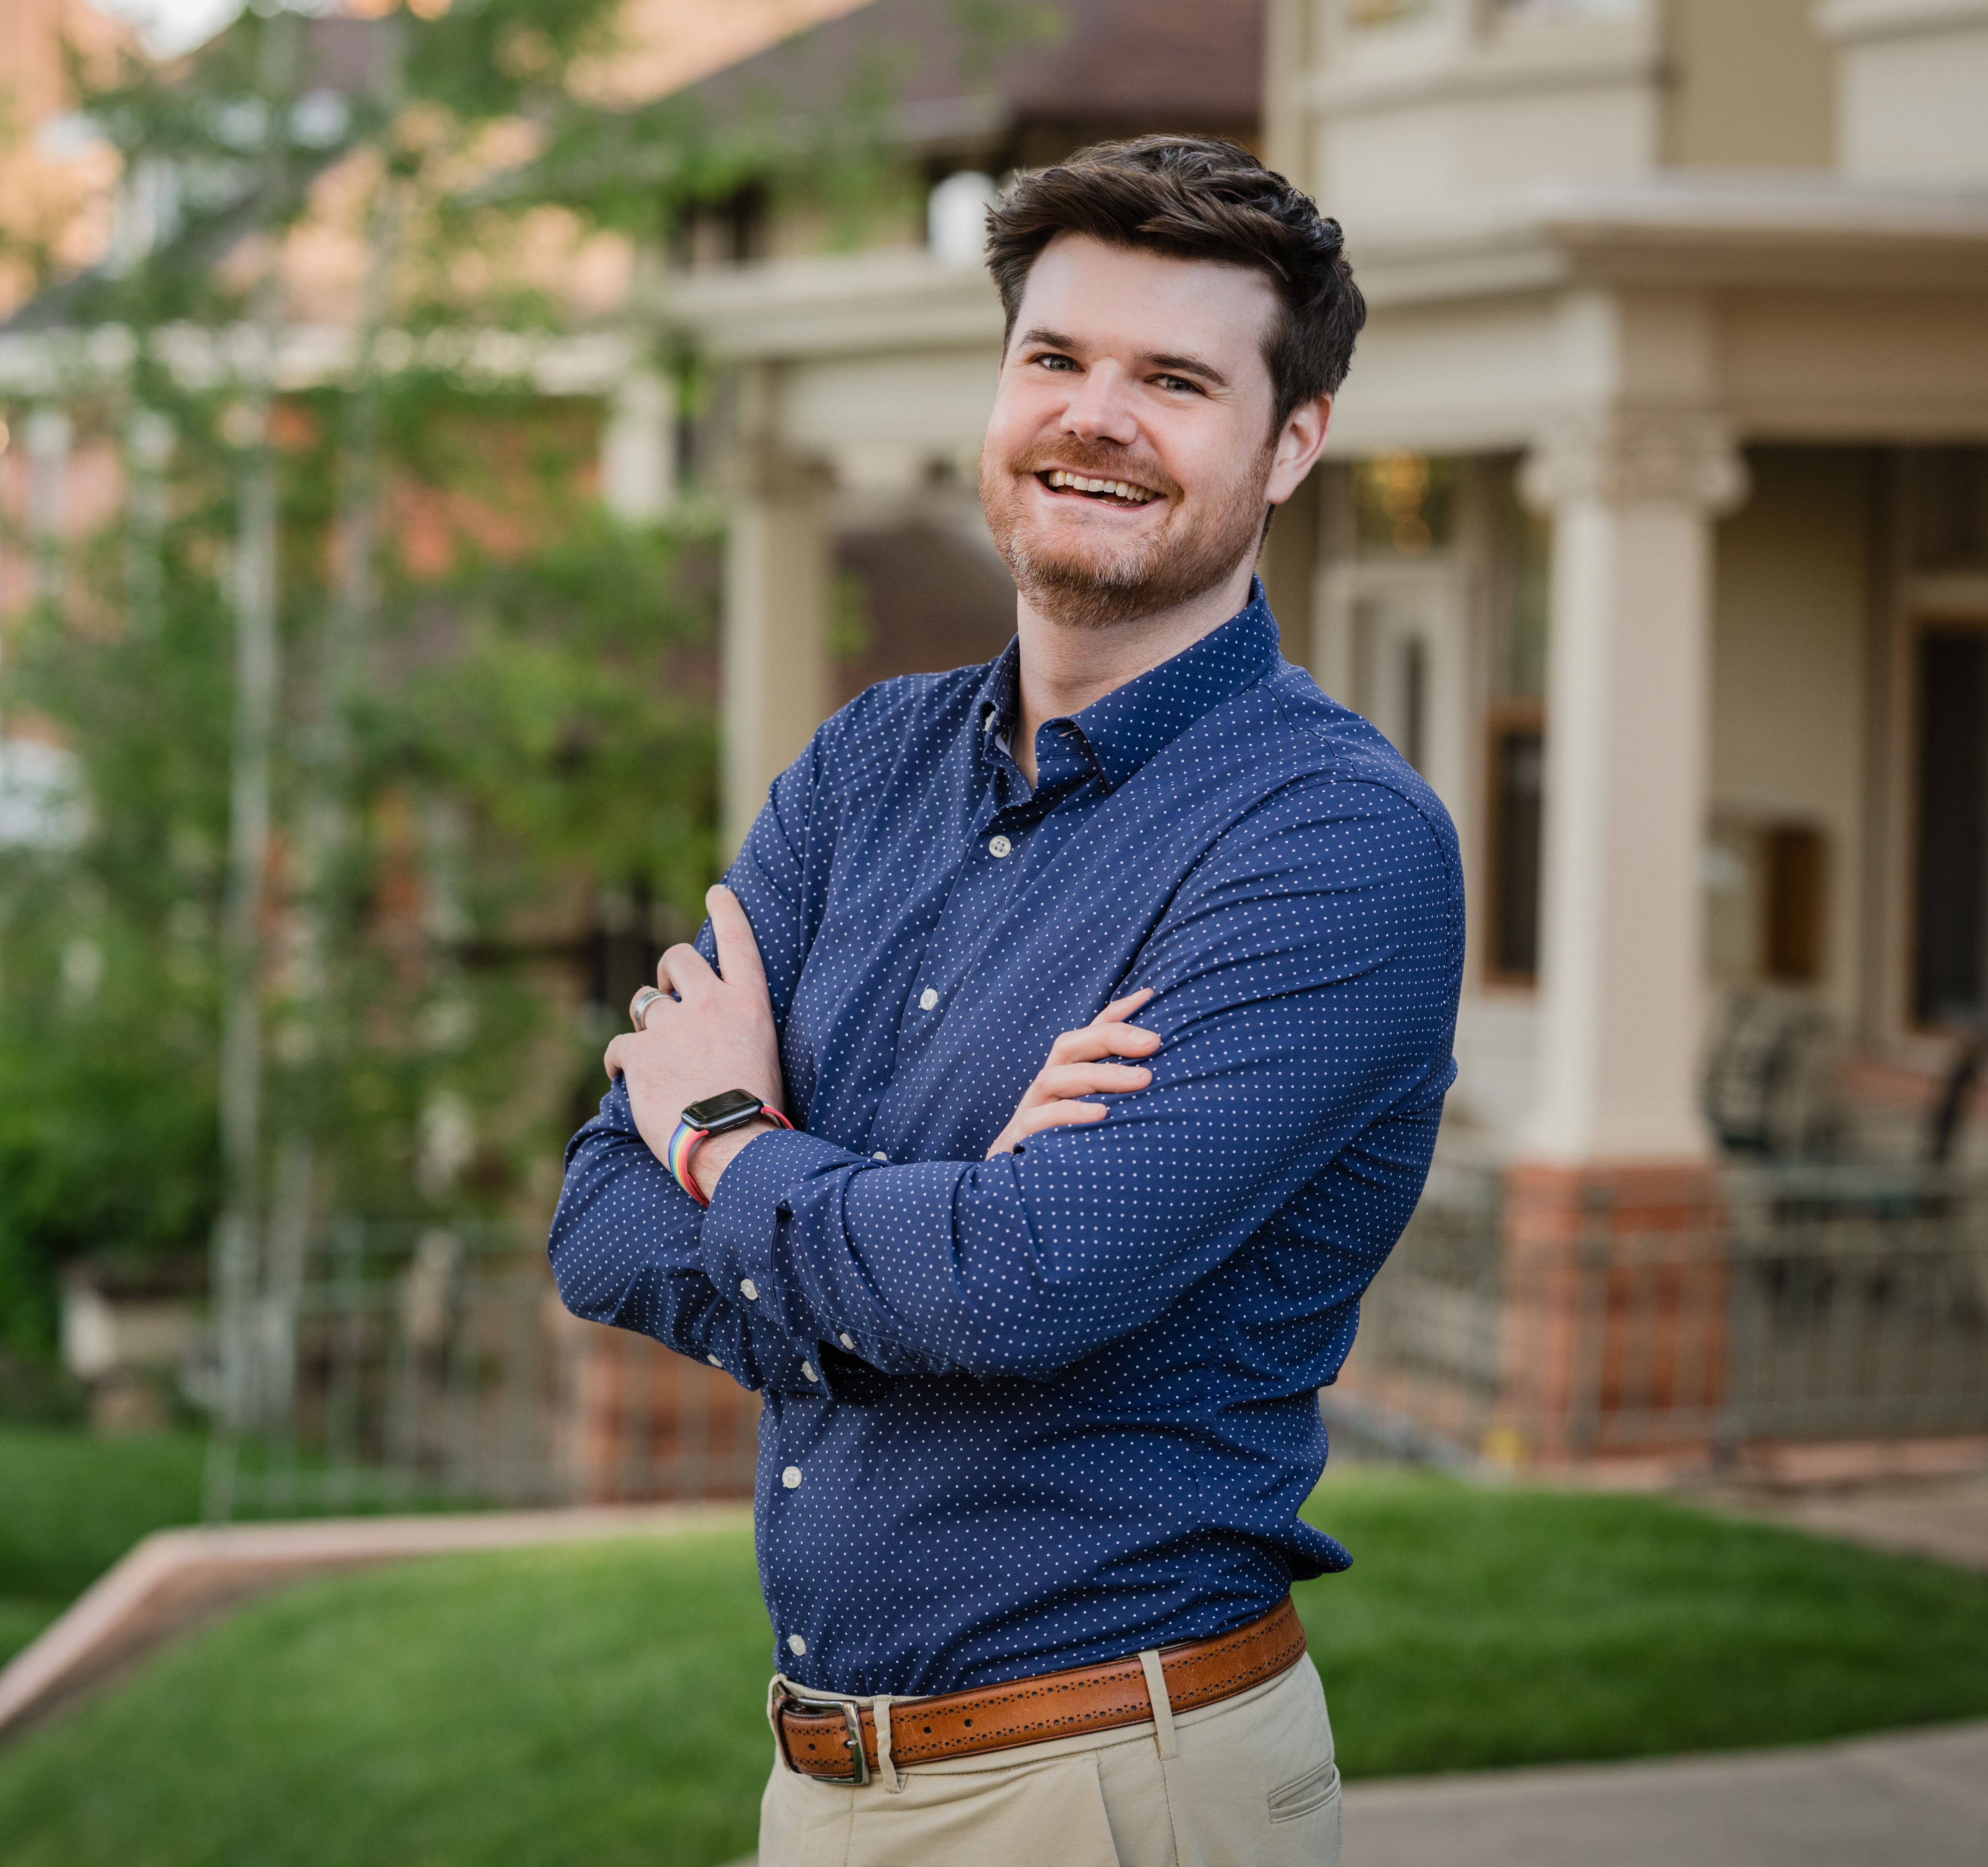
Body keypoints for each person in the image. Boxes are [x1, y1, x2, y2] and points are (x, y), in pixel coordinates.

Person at [550, 135, 1463, 1867]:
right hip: (820, 1780)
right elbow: (601, 1216)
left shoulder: (1336, 845)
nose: (1094, 418)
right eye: (1055, 359)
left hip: (1108, 1781)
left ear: (1291, 443)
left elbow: (1026, 1278)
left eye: (1175, 381)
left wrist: (737, 1135)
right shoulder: (865, 765)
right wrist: (928, 1228)